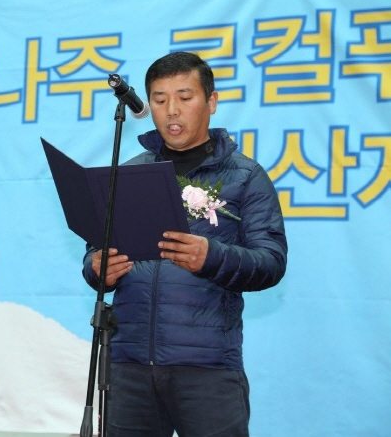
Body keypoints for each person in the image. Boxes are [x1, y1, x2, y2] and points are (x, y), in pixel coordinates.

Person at [82, 52, 287, 436]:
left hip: (206, 368)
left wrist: (212, 257)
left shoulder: (246, 176)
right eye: (159, 100)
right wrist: (97, 268)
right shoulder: (129, 173)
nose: (171, 110)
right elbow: (96, 250)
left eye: (185, 97)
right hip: (128, 366)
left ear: (212, 101)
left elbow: (271, 261)